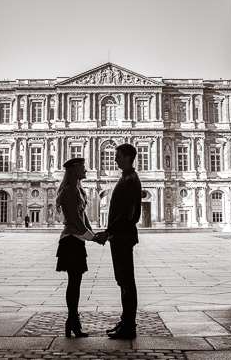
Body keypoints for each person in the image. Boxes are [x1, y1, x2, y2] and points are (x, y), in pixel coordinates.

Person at [93, 143, 142, 339]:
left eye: (118, 156)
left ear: (128, 158)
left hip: (122, 236)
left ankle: (129, 325)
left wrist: (108, 231)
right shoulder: (127, 178)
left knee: (127, 282)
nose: (114, 160)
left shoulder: (130, 180)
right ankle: (125, 321)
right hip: (120, 236)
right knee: (123, 281)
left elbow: (127, 214)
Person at [55, 157, 99, 337]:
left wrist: (93, 233)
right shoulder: (69, 191)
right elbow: (75, 219)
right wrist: (93, 237)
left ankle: (72, 320)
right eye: (83, 168)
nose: (86, 170)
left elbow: (84, 217)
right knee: (74, 283)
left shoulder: (78, 190)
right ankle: (72, 320)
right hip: (71, 240)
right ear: (74, 170)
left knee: (75, 283)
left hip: (76, 240)